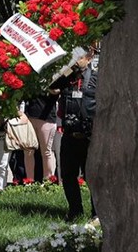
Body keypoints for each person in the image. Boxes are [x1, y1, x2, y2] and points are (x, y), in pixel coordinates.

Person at [55, 47, 98, 221]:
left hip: (89, 137)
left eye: (80, 55)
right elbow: (51, 87)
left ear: (90, 56)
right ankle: (75, 211)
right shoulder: (67, 78)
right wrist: (68, 69)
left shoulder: (96, 77)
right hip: (69, 135)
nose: (77, 58)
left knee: (92, 177)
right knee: (68, 175)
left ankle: (97, 213)